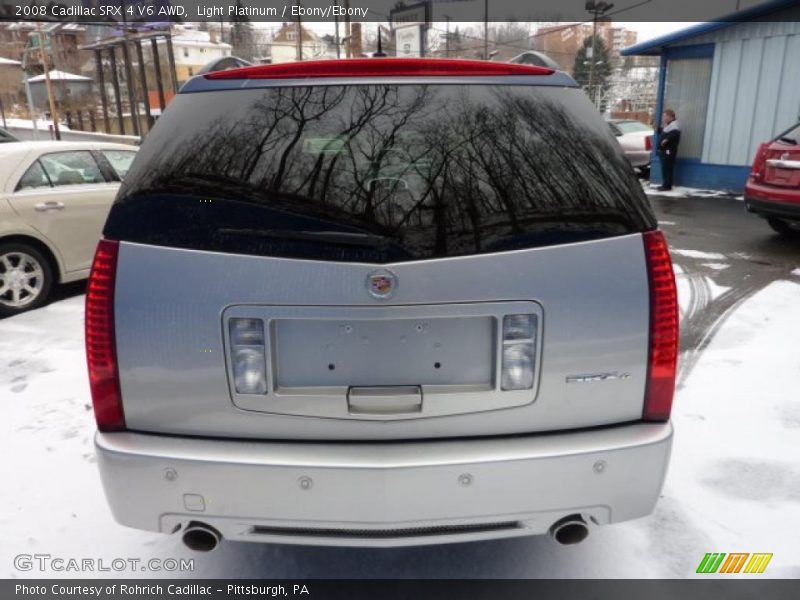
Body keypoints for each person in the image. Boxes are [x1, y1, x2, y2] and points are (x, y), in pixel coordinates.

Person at [656, 109, 681, 191]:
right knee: (665, 167)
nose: (664, 118)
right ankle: (665, 184)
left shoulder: (674, 126)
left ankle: (667, 185)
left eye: (665, 116)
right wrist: (658, 129)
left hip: (668, 151)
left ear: (671, 117)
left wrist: (666, 140)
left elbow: (674, 134)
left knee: (667, 167)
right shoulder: (668, 125)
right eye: (664, 116)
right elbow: (663, 133)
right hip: (664, 150)